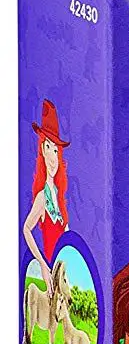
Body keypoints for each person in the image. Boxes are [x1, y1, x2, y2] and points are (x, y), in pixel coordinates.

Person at [23, 100, 70, 269]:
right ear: (42, 150)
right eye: (48, 147)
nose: (52, 157)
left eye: (56, 150)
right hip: (51, 271)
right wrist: (43, 264)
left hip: (63, 271)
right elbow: (26, 228)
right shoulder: (42, 197)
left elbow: (67, 238)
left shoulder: (59, 196)